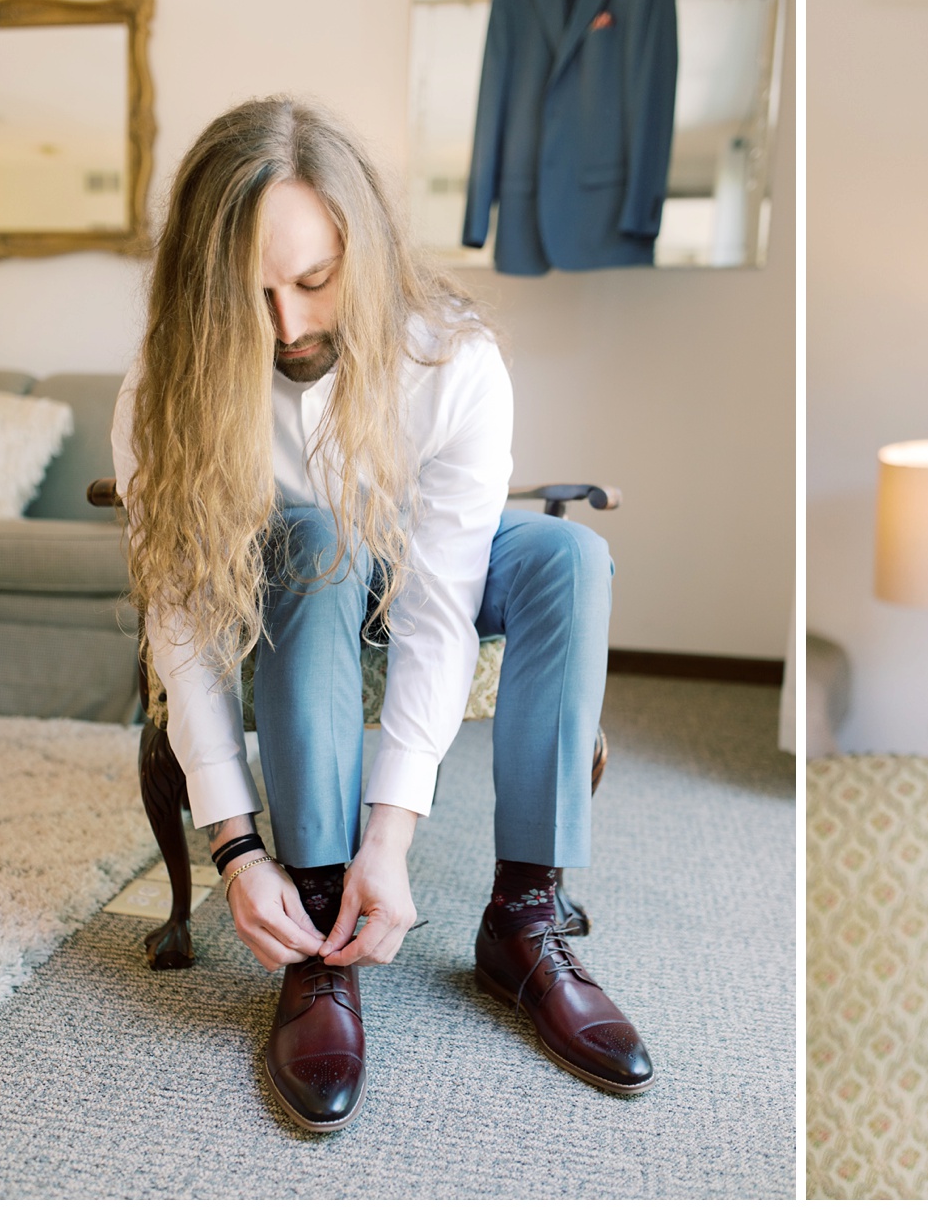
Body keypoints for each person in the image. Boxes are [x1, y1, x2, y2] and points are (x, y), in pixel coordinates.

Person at [112, 97, 652, 1133]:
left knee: (571, 557)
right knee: (313, 535)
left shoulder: (452, 360)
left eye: (313, 283)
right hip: (305, 576)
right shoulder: (164, 387)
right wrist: (236, 847)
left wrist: (392, 839)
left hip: (425, 568)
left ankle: (523, 919)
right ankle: (317, 920)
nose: (286, 328)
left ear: (361, 252)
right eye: (250, 292)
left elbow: (441, 607)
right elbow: (180, 631)